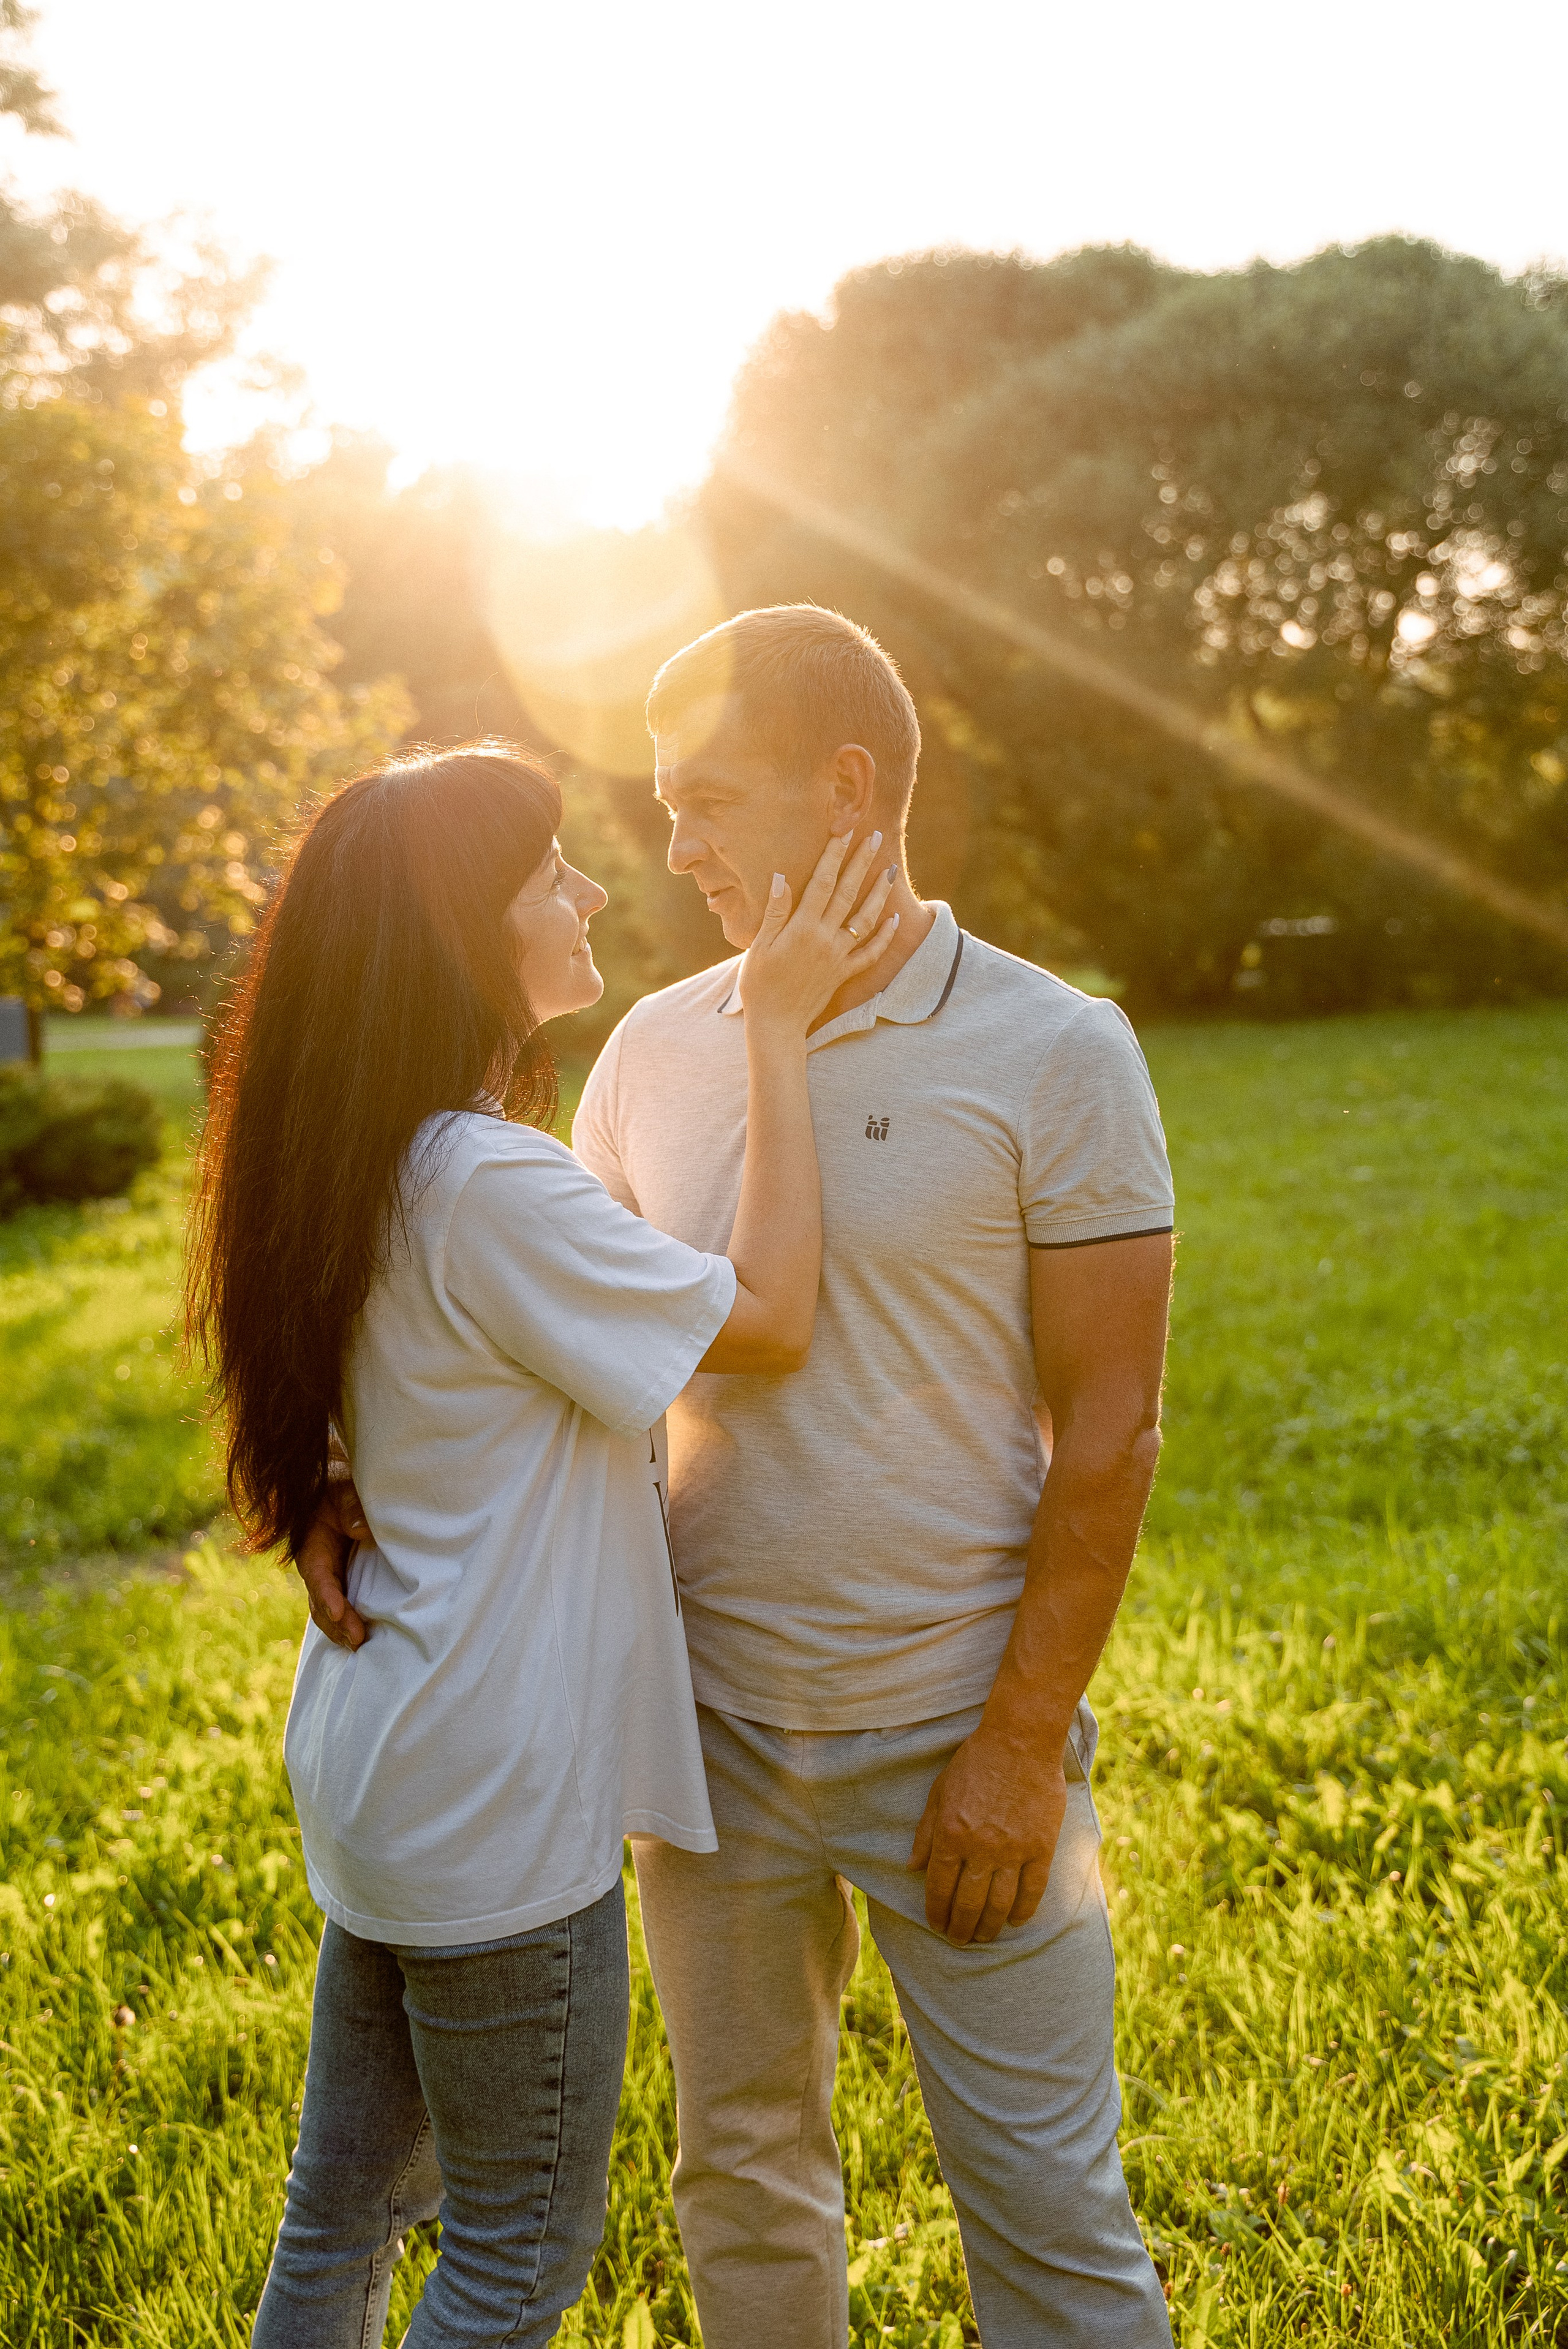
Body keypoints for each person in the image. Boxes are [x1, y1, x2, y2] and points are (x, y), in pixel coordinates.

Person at [303, 608, 1177, 2348]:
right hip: (706, 1739)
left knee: (1054, 2216)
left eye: (709, 800)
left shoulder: (1061, 1049)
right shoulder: (658, 1046)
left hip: (960, 1737)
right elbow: (572, 1337)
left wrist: (1018, 1743)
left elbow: (1112, 1434)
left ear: (847, 788)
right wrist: (349, 1459)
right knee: (744, 2176)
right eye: (661, 801)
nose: (672, 846)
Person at [185, 741, 897, 2349]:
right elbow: (770, 1316)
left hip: (383, 1760)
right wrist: (776, 1023)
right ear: (459, 930)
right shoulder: (486, 1182)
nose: (589, 891)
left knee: (341, 2209)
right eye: (549, 874)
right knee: (514, 2251)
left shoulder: (351, 1157)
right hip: (497, 1794)